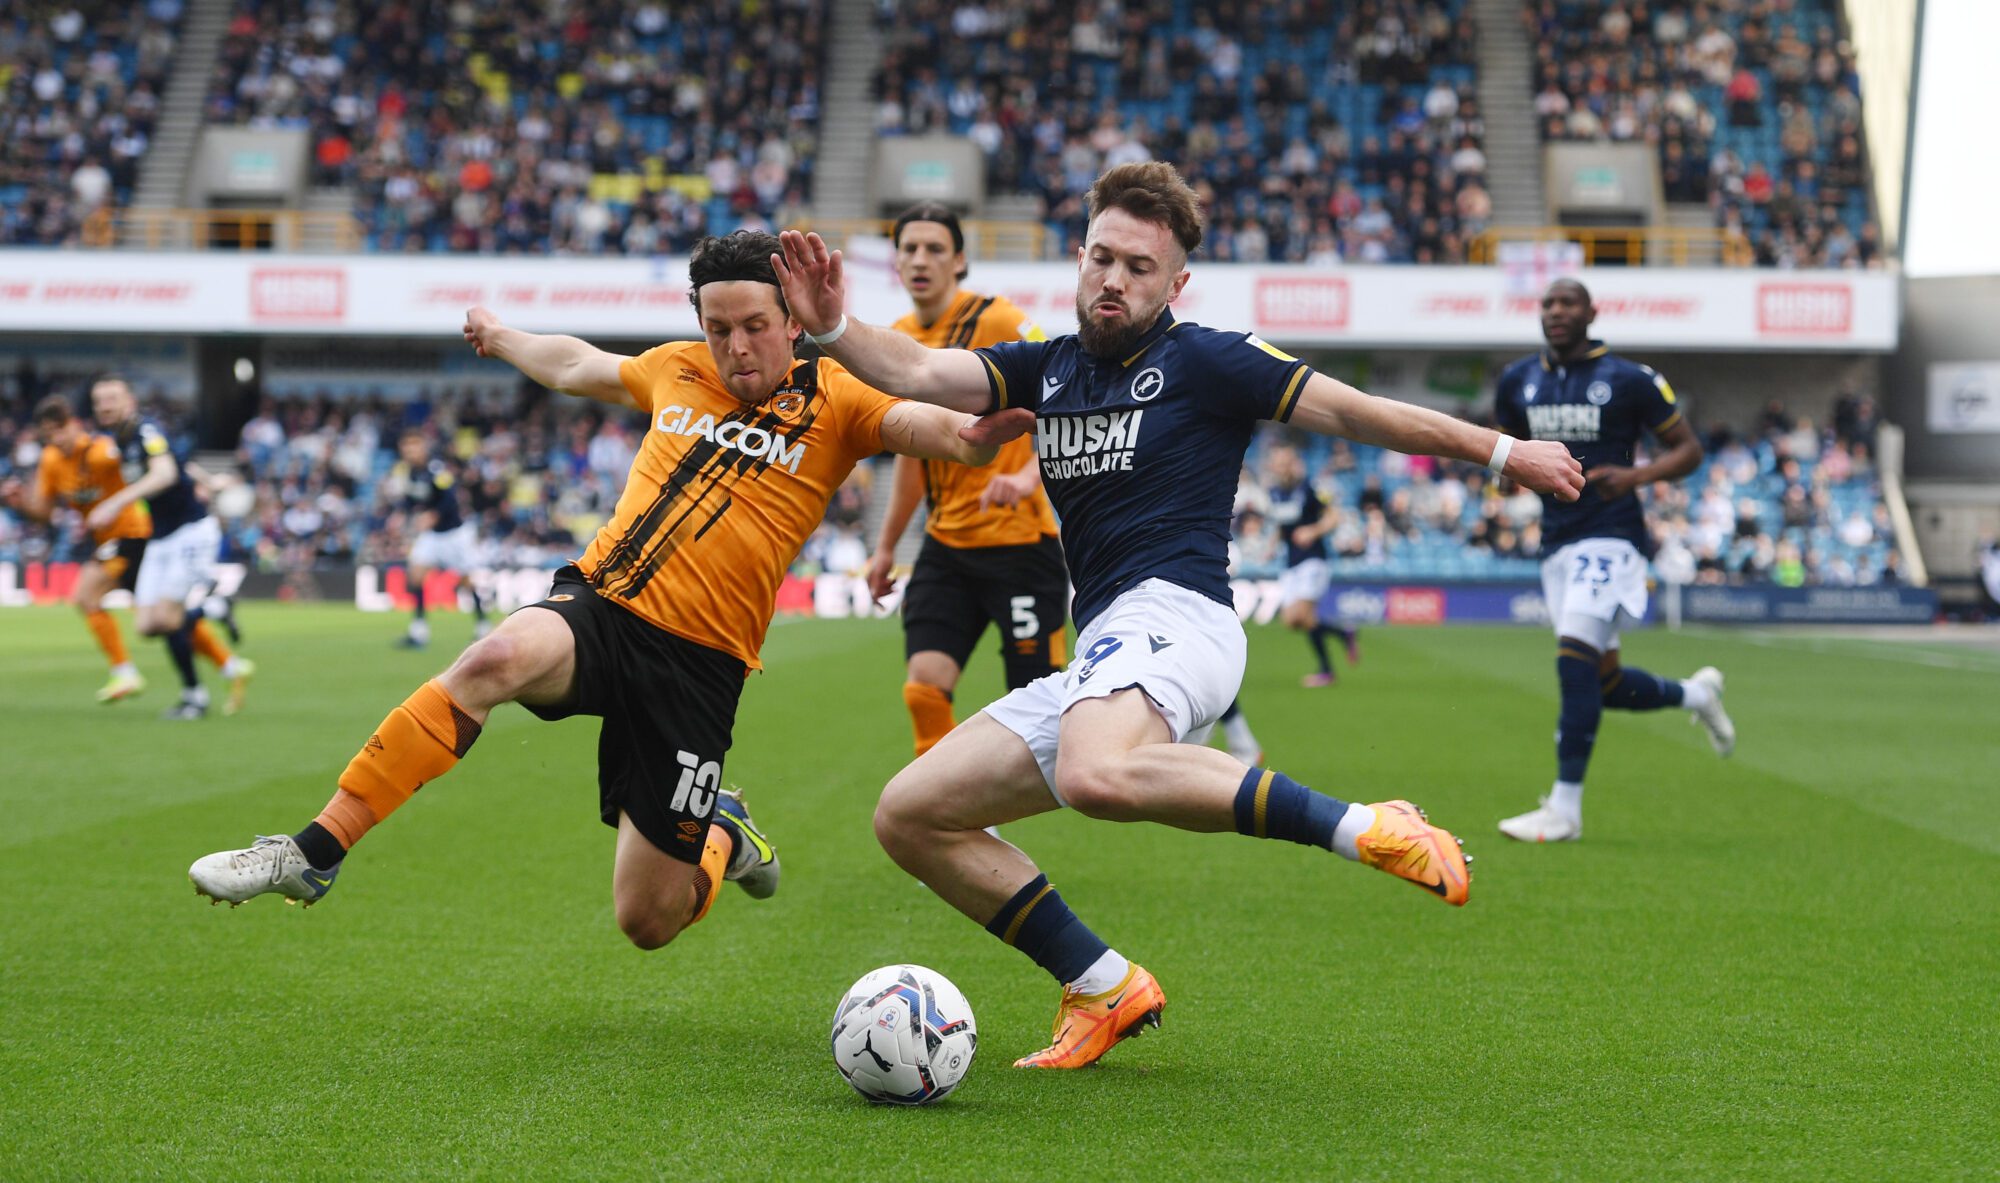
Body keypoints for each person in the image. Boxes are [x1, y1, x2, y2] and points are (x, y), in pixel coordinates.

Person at [773, 162, 1586, 1069]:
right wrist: (832, 326)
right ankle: (1102, 984)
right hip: (1105, 647)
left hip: (1181, 615)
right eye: (1102, 258)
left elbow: (1357, 413)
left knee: (1092, 771)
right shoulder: (1044, 368)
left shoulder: (1205, 359)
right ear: (1079, 258)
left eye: (1139, 268)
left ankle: (1368, 825)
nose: (1114, 279)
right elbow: (919, 369)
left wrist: (1503, 451)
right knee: (910, 813)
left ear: (1175, 283)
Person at [186, 231, 1029, 954]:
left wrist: (975, 437)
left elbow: (927, 426)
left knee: (648, 920)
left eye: (755, 326)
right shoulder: (675, 369)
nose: (736, 346)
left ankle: (722, 835)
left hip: (699, 667)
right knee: (494, 657)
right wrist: (502, 335)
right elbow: (576, 362)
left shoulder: (838, 398)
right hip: (601, 605)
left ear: (793, 322)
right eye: (719, 328)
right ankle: (315, 849)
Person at [1489, 278, 1736, 844]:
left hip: (1612, 535)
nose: (1555, 311)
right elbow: (1510, 442)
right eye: (1548, 303)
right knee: (1605, 684)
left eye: (1567, 303)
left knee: (1572, 659)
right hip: (1557, 542)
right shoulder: (1518, 379)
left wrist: (1635, 476)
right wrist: (1506, 474)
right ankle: (1698, 696)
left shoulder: (1630, 379)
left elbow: (1689, 450)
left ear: (1591, 312)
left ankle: (1564, 810)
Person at [864, 202, 1068, 757]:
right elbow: (912, 453)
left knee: (1038, 710)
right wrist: (886, 548)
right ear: (895, 262)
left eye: (934, 248)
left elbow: (1067, 404)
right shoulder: (897, 340)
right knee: (923, 689)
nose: (920, 259)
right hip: (947, 548)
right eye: (909, 249)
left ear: (959, 260)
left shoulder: (999, 320)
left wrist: (1028, 475)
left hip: (1020, 547)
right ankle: (949, 803)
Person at [88, 376, 254, 719]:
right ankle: (215, 608)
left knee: (168, 618)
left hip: (190, 532)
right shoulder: (121, 438)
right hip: (161, 537)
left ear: (129, 401)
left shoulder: (145, 430)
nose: (105, 406)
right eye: (99, 401)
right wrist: (209, 481)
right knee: (147, 625)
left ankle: (194, 696)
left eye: (112, 398)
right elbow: (179, 462)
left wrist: (116, 503)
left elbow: (164, 474)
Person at [0, 395, 151, 703]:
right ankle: (228, 665)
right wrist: (21, 503)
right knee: (160, 617)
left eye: (60, 429)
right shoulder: (51, 460)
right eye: (49, 433)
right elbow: (43, 513)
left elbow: (146, 472)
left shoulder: (103, 451)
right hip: (108, 541)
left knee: (87, 595)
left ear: (75, 424)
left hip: (134, 533)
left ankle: (125, 672)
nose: (56, 438)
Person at [1261, 442, 1359, 686]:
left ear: (1294, 463)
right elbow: (1283, 525)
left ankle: (1326, 671)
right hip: (1291, 564)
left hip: (1313, 560)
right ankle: (1343, 633)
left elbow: (1334, 516)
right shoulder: (1274, 493)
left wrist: (1313, 531)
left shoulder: (1311, 487)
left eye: (1286, 463)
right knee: (1291, 621)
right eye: (1278, 464)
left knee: (1302, 614)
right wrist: (1272, 545)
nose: (1282, 468)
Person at [391, 429, 490, 649]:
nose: (410, 451)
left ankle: (482, 626)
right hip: (432, 536)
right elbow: (411, 500)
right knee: (415, 575)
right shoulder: (409, 473)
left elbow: (451, 498)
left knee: (466, 582)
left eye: (414, 446)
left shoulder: (436, 468)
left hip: (454, 534)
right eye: (406, 447)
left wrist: (433, 515)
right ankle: (419, 631)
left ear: (423, 447)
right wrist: (402, 515)